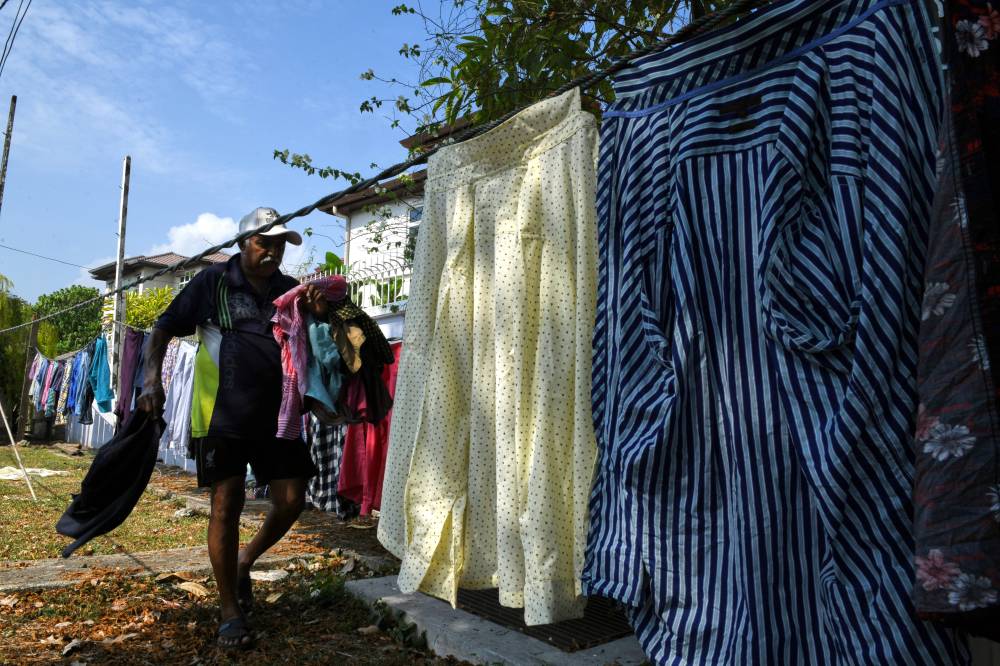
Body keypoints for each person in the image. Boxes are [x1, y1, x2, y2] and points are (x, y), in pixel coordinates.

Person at [137, 207, 328, 649]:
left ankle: (245, 561)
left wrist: (319, 312)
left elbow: (310, 342)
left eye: (280, 244)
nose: (273, 252)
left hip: (280, 413)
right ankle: (229, 609)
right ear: (243, 244)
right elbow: (163, 328)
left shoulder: (289, 289)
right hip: (221, 411)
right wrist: (151, 381)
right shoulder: (213, 282)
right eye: (265, 243)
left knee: (291, 499)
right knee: (227, 504)